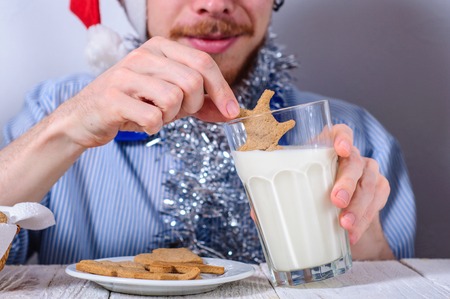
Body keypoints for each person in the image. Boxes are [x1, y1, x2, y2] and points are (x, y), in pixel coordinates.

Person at [1, 0, 415, 265]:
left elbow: (412, 286)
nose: (213, 4)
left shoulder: (357, 139)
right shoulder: (54, 112)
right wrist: (67, 130)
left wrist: (363, 242)